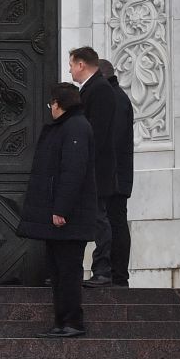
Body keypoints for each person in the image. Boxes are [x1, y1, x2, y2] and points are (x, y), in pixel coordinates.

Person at [17, 82, 97, 338]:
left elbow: (73, 171)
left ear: (58, 104)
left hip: (68, 217)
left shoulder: (75, 127)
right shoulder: (68, 127)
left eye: (51, 103)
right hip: (61, 216)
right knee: (58, 271)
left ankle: (72, 321)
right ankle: (62, 321)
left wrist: (61, 209)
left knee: (68, 271)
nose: (50, 107)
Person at [69, 46, 119, 288]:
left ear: (81, 64)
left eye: (71, 65)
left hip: (96, 169)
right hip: (92, 168)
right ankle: (83, 269)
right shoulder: (92, 89)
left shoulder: (100, 90)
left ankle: (102, 270)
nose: (70, 70)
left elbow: (96, 133)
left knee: (99, 218)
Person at [95, 58, 136, 287]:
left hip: (114, 175)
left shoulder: (113, 98)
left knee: (115, 222)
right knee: (114, 221)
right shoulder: (115, 97)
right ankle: (116, 274)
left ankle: (117, 275)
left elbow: (112, 138)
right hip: (115, 173)